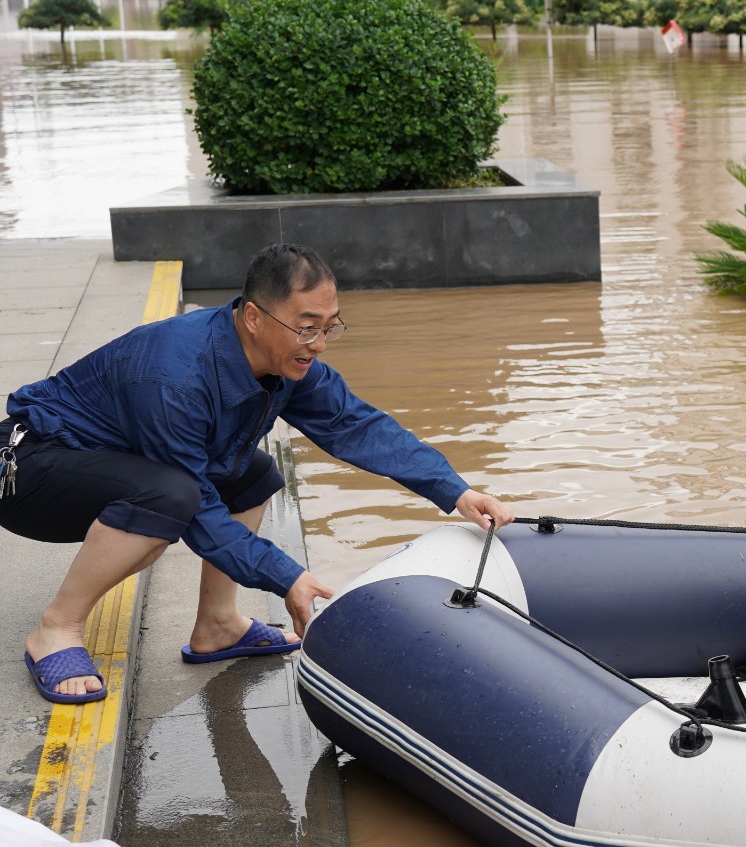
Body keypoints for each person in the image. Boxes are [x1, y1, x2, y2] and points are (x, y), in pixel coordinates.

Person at [1, 243, 514, 704]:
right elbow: (198, 510)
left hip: (103, 468)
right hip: (30, 473)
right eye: (306, 325)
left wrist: (456, 490)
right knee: (171, 496)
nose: (319, 343)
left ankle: (219, 625)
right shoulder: (174, 376)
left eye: (330, 325)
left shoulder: (287, 360)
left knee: (252, 472)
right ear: (253, 317)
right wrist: (285, 576)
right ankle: (57, 628)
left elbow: (354, 425)